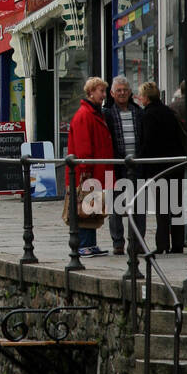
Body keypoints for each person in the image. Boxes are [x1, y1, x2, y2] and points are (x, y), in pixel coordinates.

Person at [137, 81, 187, 254]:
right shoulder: (169, 112)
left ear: (145, 97)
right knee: (177, 206)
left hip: (158, 167)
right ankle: (178, 243)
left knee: (162, 208)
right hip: (176, 164)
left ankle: (162, 244)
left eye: (141, 95)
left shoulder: (148, 115)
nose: (139, 98)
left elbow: (148, 142)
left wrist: (140, 161)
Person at [65, 77, 114, 256]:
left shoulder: (94, 113)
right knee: (85, 207)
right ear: (91, 92)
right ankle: (84, 244)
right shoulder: (85, 115)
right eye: (101, 91)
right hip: (88, 171)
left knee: (92, 207)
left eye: (104, 91)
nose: (103, 95)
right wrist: (85, 171)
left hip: (97, 169)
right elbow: (84, 146)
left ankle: (90, 243)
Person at [103, 75, 145, 253]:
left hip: (136, 164)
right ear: (112, 93)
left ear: (130, 93)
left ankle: (137, 243)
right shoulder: (107, 113)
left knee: (139, 205)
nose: (122, 93)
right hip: (117, 164)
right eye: (118, 90)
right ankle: (118, 243)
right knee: (116, 206)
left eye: (125, 90)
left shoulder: (138, 112)